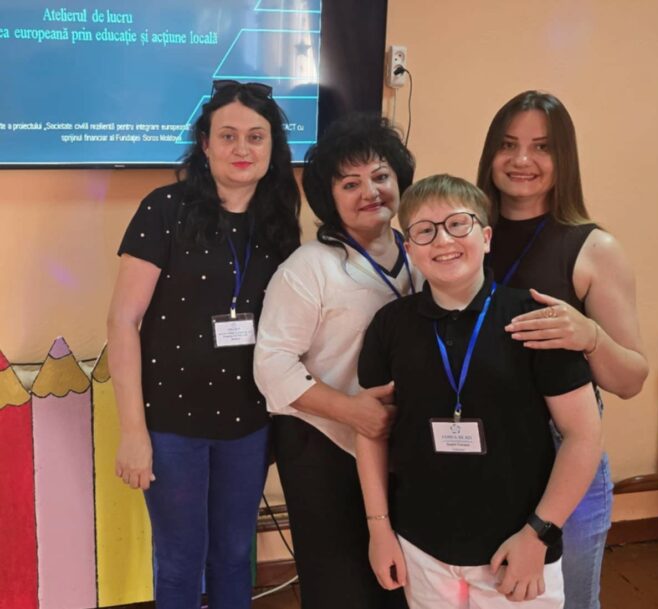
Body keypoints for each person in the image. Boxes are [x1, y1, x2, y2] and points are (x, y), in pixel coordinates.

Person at [356, 174, 603, 609]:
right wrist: (379, 529)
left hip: (518, 549)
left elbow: (584, 435)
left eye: (458, 224)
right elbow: (370, 429)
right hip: (422, 547)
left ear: (486, 237)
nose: (442, 240)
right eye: (424, 231)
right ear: (409, 248)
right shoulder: (389, 326)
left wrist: (539, 534)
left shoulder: (535, 319)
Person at [107, 81, 301, 609]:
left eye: (256, 137)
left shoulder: (279, 221)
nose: (242, 149)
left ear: (272, 147)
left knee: (236, 556)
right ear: (205, 143)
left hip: (248, 424)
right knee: (179, 561)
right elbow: (122, 321)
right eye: (228, 135)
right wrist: (133, 433)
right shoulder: (163, 209)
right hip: (172, 425)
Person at [477, 90, 649, 609]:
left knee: (569, 602)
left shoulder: (594, 248)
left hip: (564, 458)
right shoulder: (463, 235)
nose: (522, 159)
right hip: (482, 455)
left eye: (542, 147)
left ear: (564, 158)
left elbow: (631, 379)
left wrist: (589, 335)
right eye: (508, 144)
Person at [253, 114, 416, 609]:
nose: (370, 192)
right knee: (340, 584)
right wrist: (351, 412)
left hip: (400, 442)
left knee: (401, 580)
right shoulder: (308, 268)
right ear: (329, 197)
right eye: (350, 183)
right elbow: (272, 364)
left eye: (380, 176)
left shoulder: (422, 253)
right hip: (322, 443)